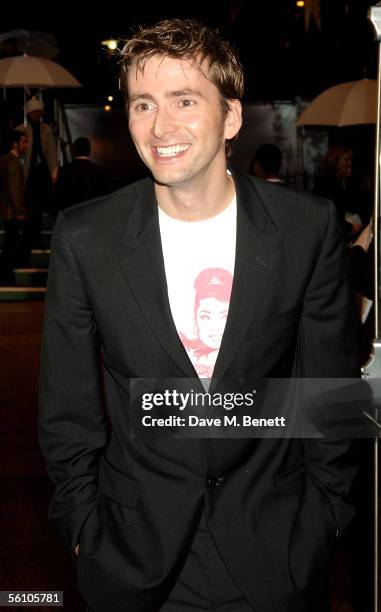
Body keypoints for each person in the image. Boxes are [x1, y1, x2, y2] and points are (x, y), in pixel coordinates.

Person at [39, 19, 359, 612]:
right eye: (143, 104)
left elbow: (333, 394)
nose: (161, 126)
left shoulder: (304, 229)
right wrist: (83, 529)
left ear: (231, 117)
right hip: (135, 555)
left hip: (275, 550)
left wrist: (326, 518)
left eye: (185, 100)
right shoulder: (87, 237)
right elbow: (68, 408)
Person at [16, 97, 58, 250]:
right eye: (34, 112)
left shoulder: (46, 129)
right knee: (29, 208)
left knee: (39, 208)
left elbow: (52, 152)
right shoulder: (21, 129)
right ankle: (28, 239)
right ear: (29, 113)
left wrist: (54, 172)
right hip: (27, 173)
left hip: (42, 173)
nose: (37, 115)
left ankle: (35, 238)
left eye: (39, 112)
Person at [0, 129, 28, 284]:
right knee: (10, 244)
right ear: (15, 144)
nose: (26, 145)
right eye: (23, 142)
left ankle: (5, 273)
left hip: (6, 209)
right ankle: (5, 275)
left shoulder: (4, 159)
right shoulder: (12, 162)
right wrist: (19, 211)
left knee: (9, 243)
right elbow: (14, 188)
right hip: (11, 210)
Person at [55, 137, 109, 211]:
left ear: (74, 150)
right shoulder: (100, 171)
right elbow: (106, 197)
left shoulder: (64, 171)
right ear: (89, 150)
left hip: (71, 216)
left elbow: (59, 198)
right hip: (94, 214)